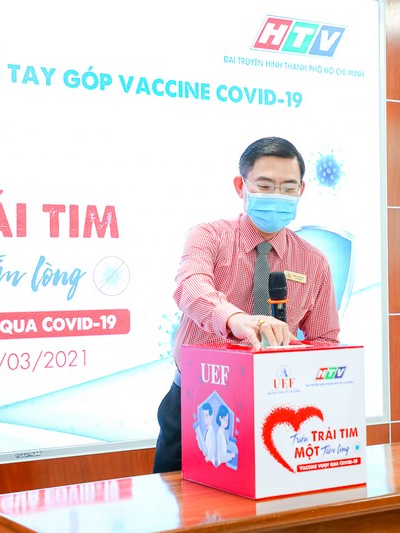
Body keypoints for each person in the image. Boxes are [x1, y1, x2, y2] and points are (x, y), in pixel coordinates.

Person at [152, 136, 340, 474]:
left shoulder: (314, 262)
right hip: (198, 402)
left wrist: (294, 356)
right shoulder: (209, 236)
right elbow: (190, 287)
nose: (277, 195)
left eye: (288, 187)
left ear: (301, 191)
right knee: (179, 499)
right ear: (241, 186)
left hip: (279, 407)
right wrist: (237, 319)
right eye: (265, 186)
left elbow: (325, 340)